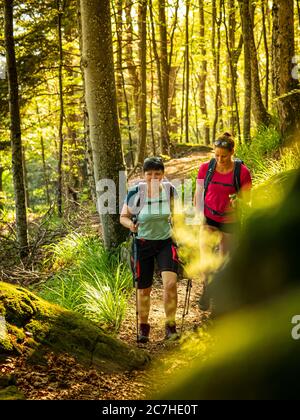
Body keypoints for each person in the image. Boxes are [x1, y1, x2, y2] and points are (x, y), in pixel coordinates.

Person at [120, 157, 179, 343]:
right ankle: (144, 327)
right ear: (143, 175)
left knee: (170, 285)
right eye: (149, 174)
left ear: (163, 174)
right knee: (144, 290)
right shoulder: (136, 192)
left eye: (157, 174)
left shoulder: (170, 190)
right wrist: (131, 225)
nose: (153, 177)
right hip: (142, 244)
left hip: (165, 242)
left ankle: (170, 326)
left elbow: (179, 215)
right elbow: (123, 217)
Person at [194, 132, 252, 308]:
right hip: (209, 217)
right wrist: (199, 217)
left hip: (230, 220)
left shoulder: (242, 172)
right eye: (216, 155)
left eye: (224, 156)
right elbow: (198, 194)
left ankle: (220, 295)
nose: (220, 159)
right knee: (205, 256)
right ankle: (206, 290)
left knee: (223, 260)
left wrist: (239, 202)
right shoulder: (206, 168)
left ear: (232, 152)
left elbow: (248, 200)